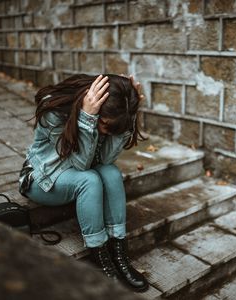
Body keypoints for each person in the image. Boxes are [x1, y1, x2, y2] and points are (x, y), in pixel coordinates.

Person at [18, 73, 150, 292]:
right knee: (89, 180)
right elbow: (80, 165)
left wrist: (129, 114)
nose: (106, 131)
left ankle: (118, 251)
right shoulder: (55, 111)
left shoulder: (109, 110)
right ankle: (98, 255)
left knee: (110, 172)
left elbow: (105, 159)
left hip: (76, 171)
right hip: (42, 180)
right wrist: (87, 118)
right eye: (105, 125)